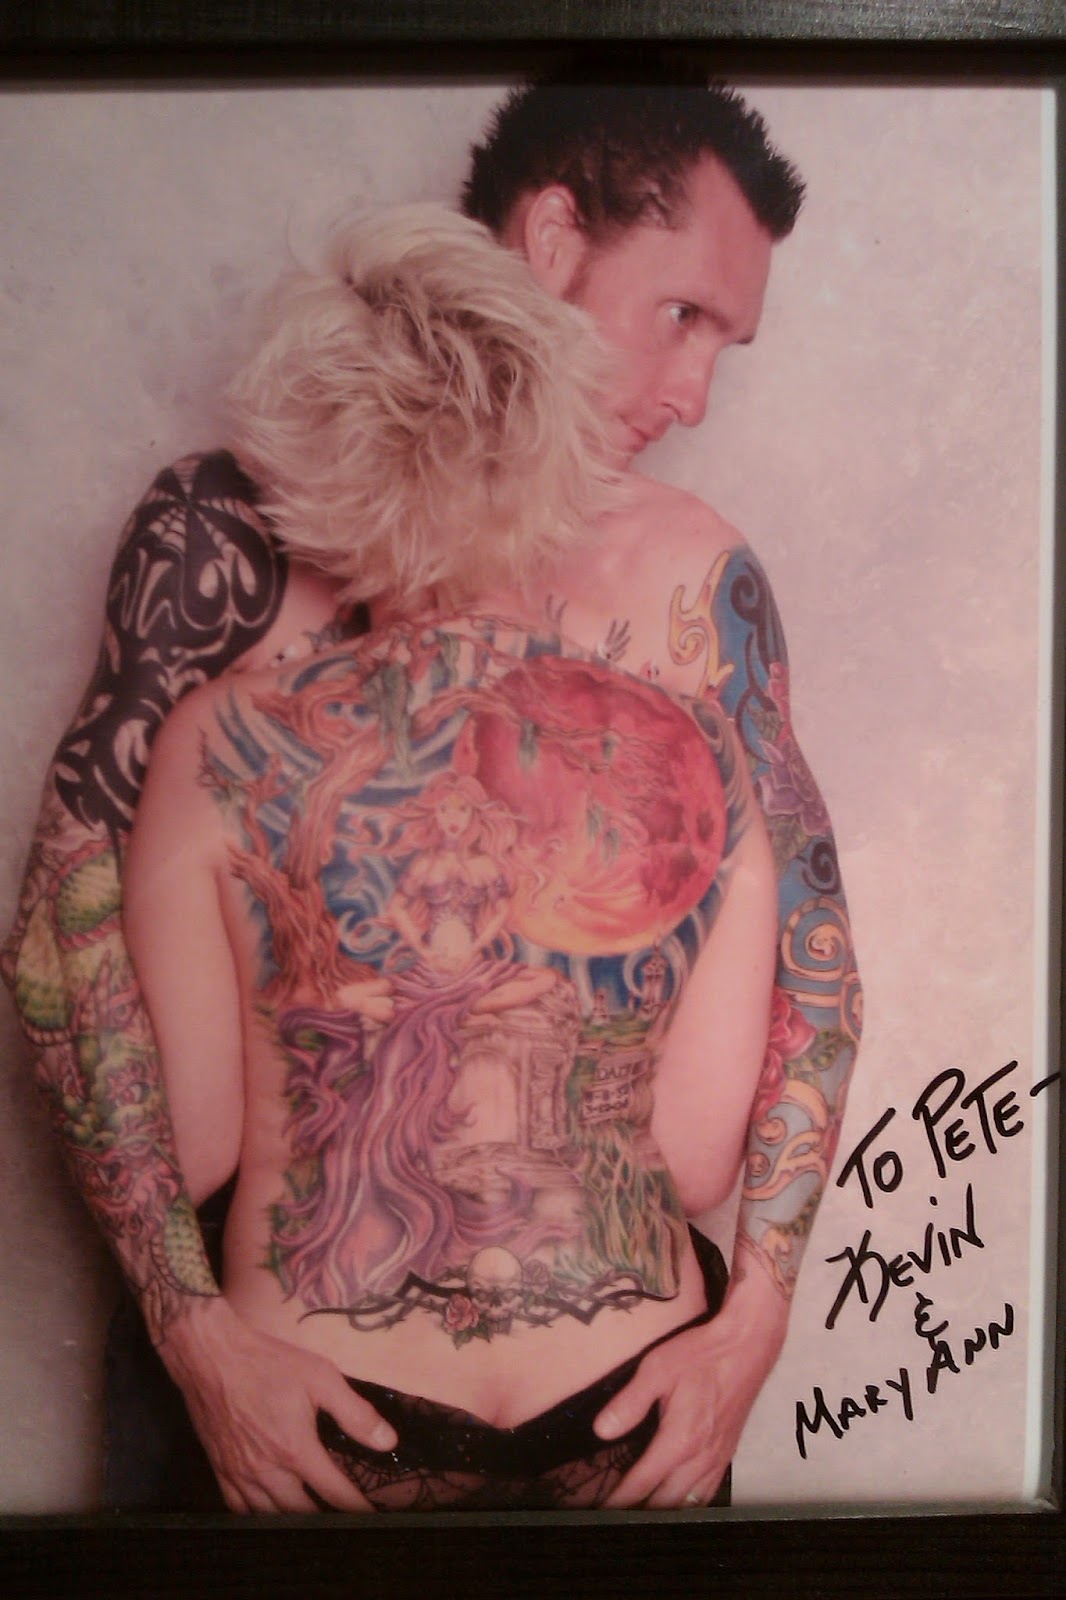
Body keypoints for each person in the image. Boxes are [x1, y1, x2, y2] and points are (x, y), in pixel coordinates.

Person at [2, 72, 861, 1511]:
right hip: (515, 1368)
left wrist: (758, 1322)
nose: (694, 393)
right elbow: (703, 1144)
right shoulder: (226, 526)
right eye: (682, 314)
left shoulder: (694, 573)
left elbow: (162, 1076)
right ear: (549, 240)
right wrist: (189, 1334)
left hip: (331, 1342)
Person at [125, 203, 779, 1512]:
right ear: (555, 451)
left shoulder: (222, 745)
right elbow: (699, 1164)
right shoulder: (694, 748)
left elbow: (186, 1150)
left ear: (326, 468)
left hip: (326, 1405)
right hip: (628, 1403)